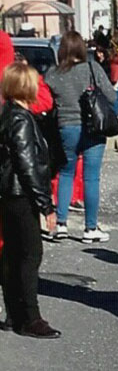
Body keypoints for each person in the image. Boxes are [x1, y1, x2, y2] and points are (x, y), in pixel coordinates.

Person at [0, 61, 60, 338]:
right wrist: (45, 204)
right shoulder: (21, 119)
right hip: (20, 194)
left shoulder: (9, 114)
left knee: (12, 253)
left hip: (10, 193)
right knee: (29, 254)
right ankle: (30, 318)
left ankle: (14, 313)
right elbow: (27, 165)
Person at [44, 31, 118, 243]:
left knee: (66, 173)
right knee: (91, 177)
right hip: (93, 127)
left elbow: (46, 101)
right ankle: (90, 228)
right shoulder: (92, 68)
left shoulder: (53, 73)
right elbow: (112, 96)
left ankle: (61, 224)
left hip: (66, 127)